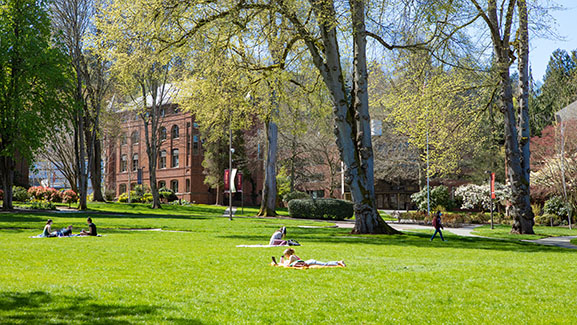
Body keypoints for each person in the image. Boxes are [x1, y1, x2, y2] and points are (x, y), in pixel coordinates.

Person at [273, 248, 345, 267]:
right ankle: (337, 262)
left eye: (285, 255)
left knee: (324, 264)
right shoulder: (292, 257)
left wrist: (281, 263)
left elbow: (288, 264)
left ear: (288, 254)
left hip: (310, 262)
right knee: (324, 264)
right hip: (309, 262)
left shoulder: (292, 257)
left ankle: (338, 262)